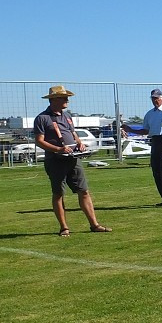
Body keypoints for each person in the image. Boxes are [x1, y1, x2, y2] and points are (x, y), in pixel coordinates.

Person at [32, 86, 110, 235]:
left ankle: (94, 224)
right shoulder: (42, 118)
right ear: (53, 99)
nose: (67, 100)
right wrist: (58, 149)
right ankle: (64, 228)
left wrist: (80, 143)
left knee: (84, 191)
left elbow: (73, 135)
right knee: (58, 194)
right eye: (63, 97)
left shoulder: (67, 116)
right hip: (55, 161)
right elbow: (39, 141)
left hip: (73, 159)